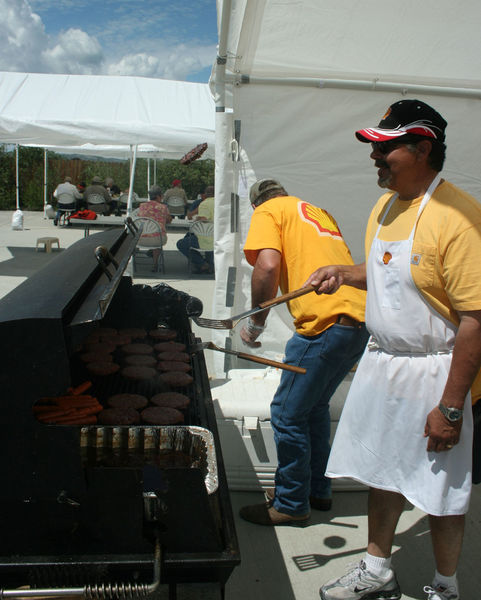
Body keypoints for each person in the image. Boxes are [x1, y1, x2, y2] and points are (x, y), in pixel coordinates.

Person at [305, 100, 481, 600]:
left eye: (386, 148)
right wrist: (346, 273)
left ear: (422, 148)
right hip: (383, 364)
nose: (374, 158)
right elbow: (394, 273)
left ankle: (445, 587)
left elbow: (476, 319)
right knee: (382, 472)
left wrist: (449, 407)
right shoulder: (386, 207)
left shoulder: (460, 219)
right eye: (375, 147)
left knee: (440, 491)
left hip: (435, 372)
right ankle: (377, 568)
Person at [238, 178, 368, 526]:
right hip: (358, 321)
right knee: (313, 409)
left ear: (256, 205)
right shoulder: (317, 212)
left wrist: (255, 323)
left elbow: (267, 266)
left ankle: (291, 504)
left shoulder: (268, 211)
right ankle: (316, 490)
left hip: (325, 324)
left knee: (286, 413)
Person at [176, 185, 215, 273]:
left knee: (181, 243)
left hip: (205, 240)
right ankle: (209, 264)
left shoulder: (204, 204)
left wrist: (197, 220)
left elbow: (203, 219)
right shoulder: (221, 203)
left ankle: (202, 264)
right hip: (218, 238)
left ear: (205, 194)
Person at [136, 185, 172, 271]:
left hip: (140, 239)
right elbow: (169, 219)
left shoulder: (142, 206)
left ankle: (137, 262)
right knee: (157, 235)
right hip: (157, 240)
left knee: (152, 234)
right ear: (159, 196)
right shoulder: (163, 207)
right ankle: (155, 263)